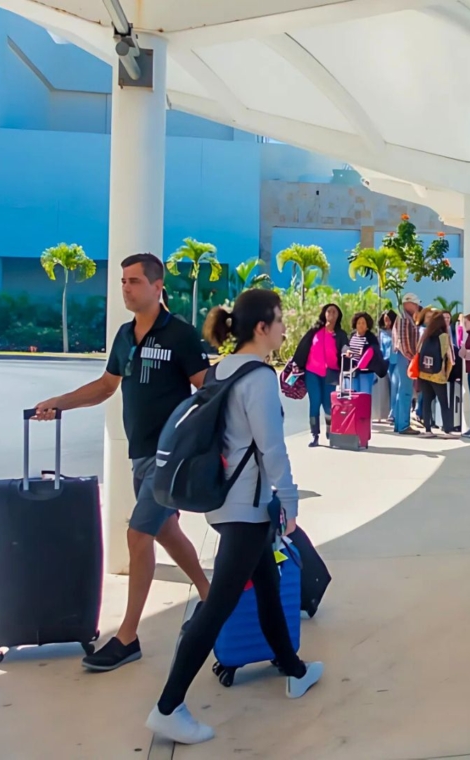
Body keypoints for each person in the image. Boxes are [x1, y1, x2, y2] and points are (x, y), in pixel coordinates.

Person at [146, 289, 323, 745]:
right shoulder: (260, 378)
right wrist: (290, 502)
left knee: (265, 584)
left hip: (225, 503)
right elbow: (271, 448)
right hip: (248, 507)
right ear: (261, 328)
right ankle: (168, 706)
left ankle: (294, 667)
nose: (285, 329)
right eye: (280, 321)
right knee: (218, 605)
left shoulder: (221, 368)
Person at [33, 252, 212, 672]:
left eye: (133, 281)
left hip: (171, 458)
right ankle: (212, 595)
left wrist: (200, 445)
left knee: (137, 535)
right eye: (123, 282)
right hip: (141, 454)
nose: (126, 288)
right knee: (165, 531)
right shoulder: (124, 336)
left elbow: (207, 392)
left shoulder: (181, 336)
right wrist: (60, 403)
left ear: (157, 286)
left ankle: (128, 636)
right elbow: (106, 385)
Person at [290, 304, 348, 447]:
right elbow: (303, 346)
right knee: (314, 402)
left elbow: (345, 346)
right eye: (329, 311)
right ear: (324, 314)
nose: (331, 314)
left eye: (334, 312)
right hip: (312, 372)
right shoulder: (315, 330)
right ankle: (314, 435)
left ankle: (329, 427)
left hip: (331, 373)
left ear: (338, 315)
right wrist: (296, 362)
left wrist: (347, 351)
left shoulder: (340, 334)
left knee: (328, 405)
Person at [416, 310, 455, 438]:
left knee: (427, 401)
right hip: (438, 374)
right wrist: (447, 373)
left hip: (424, 373)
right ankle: (447, 429)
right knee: (444, 402)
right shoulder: (443, 336)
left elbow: (418, 350)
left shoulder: (425, 334)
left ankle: (427, 429)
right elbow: (449, 356)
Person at [391, 294, 421, 436]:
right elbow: (404, 342)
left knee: (401, 391)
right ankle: (403, 425)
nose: (416, 307)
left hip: (403, 357)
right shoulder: (404, 319)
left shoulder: (403, 318)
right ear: (408, 304)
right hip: (406, 357)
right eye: (415, 304)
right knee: (406, 391)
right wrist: (412, 357)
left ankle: (399, 423)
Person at [344, 312, 379, 395]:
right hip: (352, 371)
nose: (361, 325)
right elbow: (346, 346)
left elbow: (375, 350)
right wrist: (347, 350)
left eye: (363, 323)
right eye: (359, 323)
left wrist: (364, 352)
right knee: (353, 395)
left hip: (366, 372)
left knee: (365, 395)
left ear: (367, 325)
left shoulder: (371, 337)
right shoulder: (352, 335)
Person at [374, 310, 397, 423]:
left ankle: (393, 413)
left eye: (388, 319)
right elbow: (381, 348)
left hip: (397, 361)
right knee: (387, 389)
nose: (386, 321)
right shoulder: (382, 333)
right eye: (385, 319)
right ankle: (388, 411)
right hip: (386, 362)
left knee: (395, 387)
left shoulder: (397, 330)